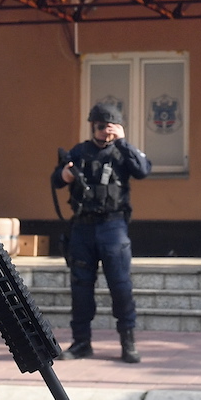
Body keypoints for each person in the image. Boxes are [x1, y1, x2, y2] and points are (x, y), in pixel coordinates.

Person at [51, 102, 152, 363]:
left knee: (120, 286)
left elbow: (143, 170)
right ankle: (82, 342)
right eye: (99, 126)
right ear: (92, 126)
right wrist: (64, 174)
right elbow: (55, 180)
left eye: (109, 126)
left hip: (113, 227)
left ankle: (127, 341)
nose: (104, 131)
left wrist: (123, 142)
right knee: (81, 288)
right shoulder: (79, 151)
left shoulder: (122, 153)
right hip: (82, 228)